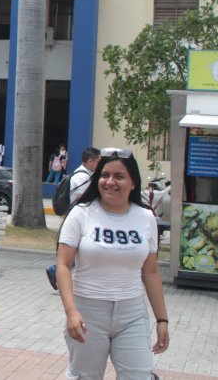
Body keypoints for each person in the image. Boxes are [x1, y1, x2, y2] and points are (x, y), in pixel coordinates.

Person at [56, 149, 169, 379]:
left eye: (119, 176)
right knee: (85, 375)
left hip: (132, 313)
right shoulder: (80, 214)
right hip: (88, 311)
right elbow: (63, 265)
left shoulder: (145, 218)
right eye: (104, 175)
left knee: (139, 375)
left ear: (133, 183)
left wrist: (162, 319)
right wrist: (71, 312)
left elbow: (151, 272)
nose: (110, 182)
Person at [47, 148, 101, 290]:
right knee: (77, 251)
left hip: (75, 218)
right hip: (77, 219)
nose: (99, 165)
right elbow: (82, 198)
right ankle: (55, 270)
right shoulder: (83, 177)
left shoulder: (81, 173)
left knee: (77, 251)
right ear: (90, 161)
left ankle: (57, 270)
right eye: (98, 161)